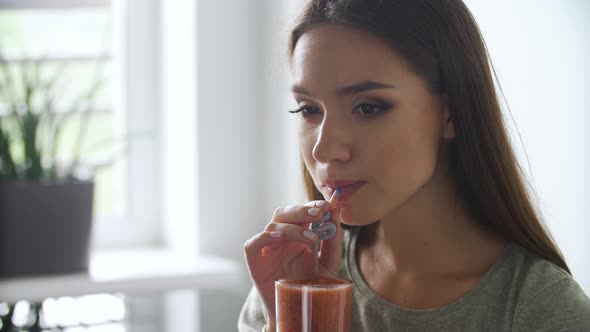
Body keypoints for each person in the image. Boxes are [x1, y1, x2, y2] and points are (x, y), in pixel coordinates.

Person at [239, 0, 590, 331]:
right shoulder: (295, 278)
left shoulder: (540, 311)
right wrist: (296, 320)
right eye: (308, 109)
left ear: (451, 113)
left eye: (368, 107)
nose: (325, 149)